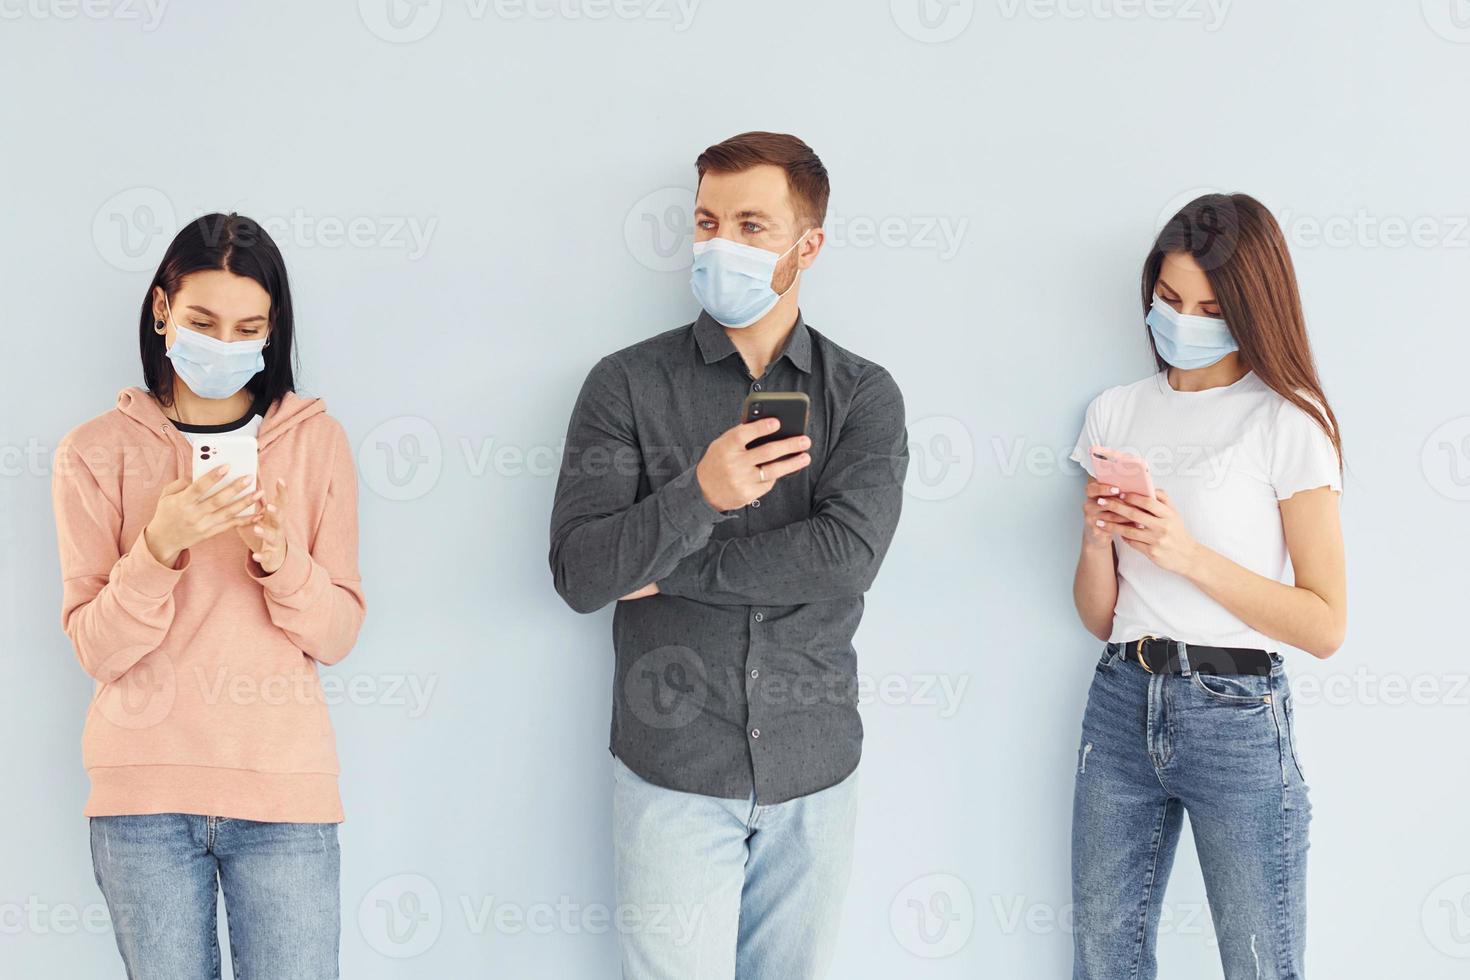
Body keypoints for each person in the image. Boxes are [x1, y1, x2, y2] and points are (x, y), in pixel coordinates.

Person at [549, 132, 908, 979]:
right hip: (671, 768)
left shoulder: (862, 394)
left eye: (752, 225)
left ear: (806, 246)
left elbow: (845, 556)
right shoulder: (626, 385)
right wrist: (697, 494)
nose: (722, 245)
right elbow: (580, 572)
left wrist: (670, 565)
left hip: (813, 767)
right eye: (707, 222)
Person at [52, 213, 365, 979]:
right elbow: (96, 647)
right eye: (201, 321)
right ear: (162, 308)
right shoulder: (92, 453)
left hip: (284, 796)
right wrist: (158, 549)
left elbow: (339, 633)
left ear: (271, 329)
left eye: (246, 326)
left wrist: (282, 563)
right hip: (143, 801)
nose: (223, 345)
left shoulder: (317, 443)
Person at [1069, 194, 1346, 980]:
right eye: (1168, 300)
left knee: (1261, 966)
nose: (1182, 320)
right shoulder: (1115, 412)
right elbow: (1100, 617)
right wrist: (1097, 539)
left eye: (1210, 307)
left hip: (1236, 716)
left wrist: (1185, 553)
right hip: (1121, 701)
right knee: (1103, 962)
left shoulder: (1288, 422)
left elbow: (1325, 623)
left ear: (1250, 310)